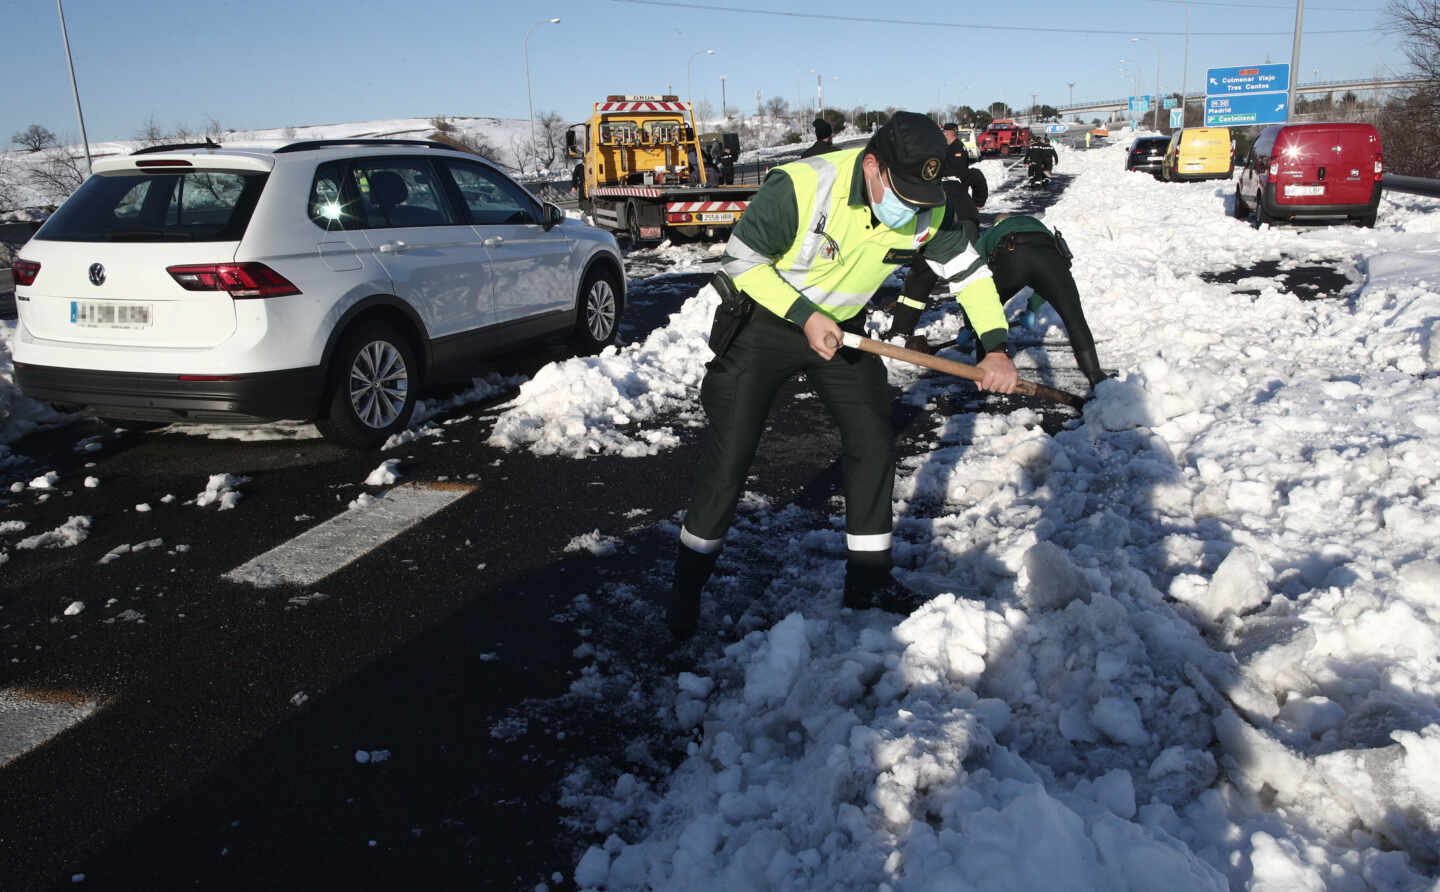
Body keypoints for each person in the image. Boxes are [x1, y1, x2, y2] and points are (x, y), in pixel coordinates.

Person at [669, 112, 1019, 640]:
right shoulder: (803, 186)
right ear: (872, 166)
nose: (913, 208)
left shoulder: (928, 203)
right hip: (765, 321)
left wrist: (995, 347)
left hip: (847, 330)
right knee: (731, 456)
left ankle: (868, 583)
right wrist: (805, 317)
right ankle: (685, 592)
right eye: (903, 192)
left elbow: (968, 274)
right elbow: (741, 262)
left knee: (873, 441)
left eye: (923, 196)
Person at [888, 213, 1107, 390]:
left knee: (989, 311)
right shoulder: (1042, 228)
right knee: (1074, 319)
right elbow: (1052, 279)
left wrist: (970, 326)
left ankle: (985, 372)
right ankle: (1096, 377)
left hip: (1010, 254)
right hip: (1049, 257)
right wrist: (1032, 308)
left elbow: (973, 280)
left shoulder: (993, 233)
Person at [889, 124, 990, 347]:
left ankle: (901, 328)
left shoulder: (930, 169)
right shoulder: (954, 168)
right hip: (961, 214)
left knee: (924, 274)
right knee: (968, 273)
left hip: (944, 217)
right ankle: (974, 327)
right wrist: (978, 203)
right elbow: (977, 177)